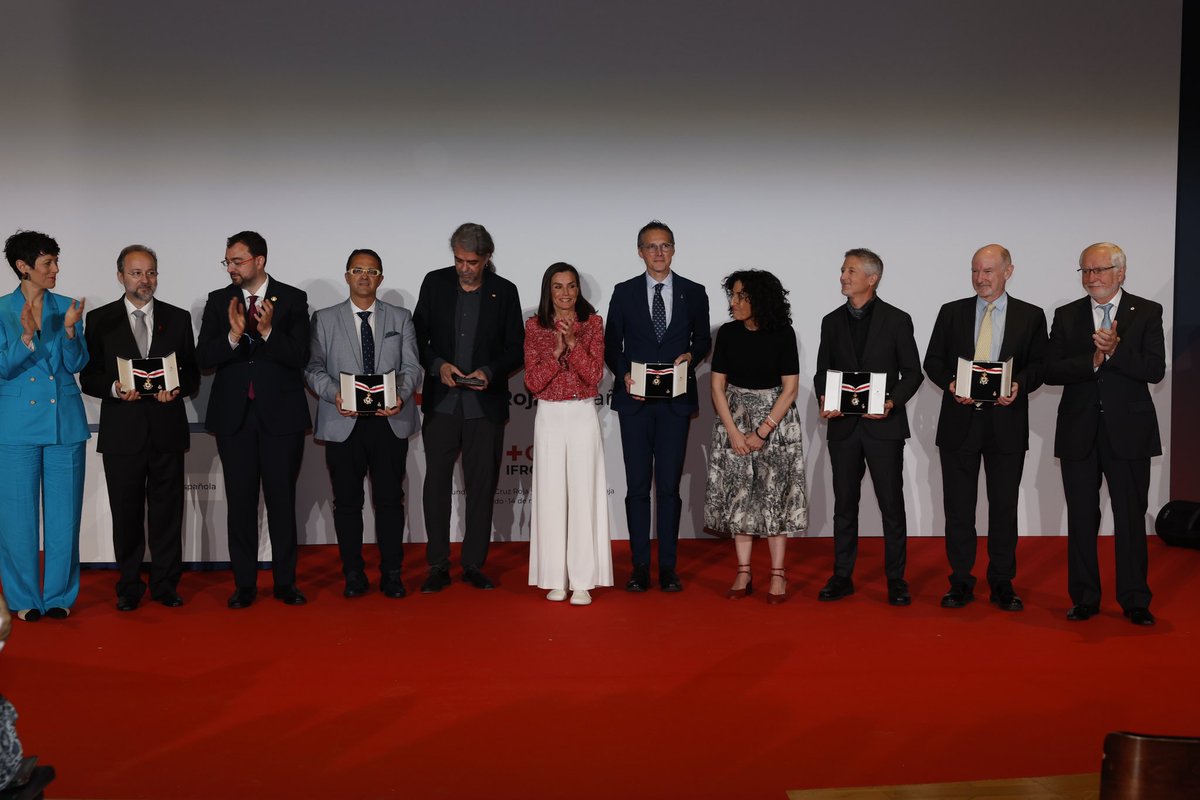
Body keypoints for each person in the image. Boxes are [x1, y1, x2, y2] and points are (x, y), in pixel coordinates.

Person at [1044, 243, 1164, 625]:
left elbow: (1154, 369)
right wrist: (1092, 360)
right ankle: (1084, 597)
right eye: (1085, 271)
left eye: (1099, 270)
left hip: (1129, 432)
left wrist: (1115, 350)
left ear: (1120, 272)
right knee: (1081, 518)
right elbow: (1051, 370)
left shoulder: (1146, 311)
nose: (1091, 278)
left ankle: (1134, 600)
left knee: (1130, 518)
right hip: (1079, 431)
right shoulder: (1066, 315)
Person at [923, 245, 1047, 612]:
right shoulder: (952, 312)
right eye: (975, 271)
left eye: (989, 271)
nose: (980, 278)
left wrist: (1018, 385)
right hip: (959, 422)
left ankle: (1002, 582)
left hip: (1006, 425)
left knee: (1004, 508)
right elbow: (932, 360)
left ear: (1008, 271)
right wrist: (951, 384)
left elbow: (1040, 364)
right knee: (958, 508)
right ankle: (960, 580)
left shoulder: (1031, 315)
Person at [79, 244, 201, 611]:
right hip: (122, 433)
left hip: (166, 430)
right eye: (136, 272)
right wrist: (115, 389)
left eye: (150, 272)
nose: (144, 280)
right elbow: (88, 376)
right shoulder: (100, 320)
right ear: (120, 276)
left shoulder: (178, 319)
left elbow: (192, 374)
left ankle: (165, 584)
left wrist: (178, 389)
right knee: (127, 515)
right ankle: (129, 586)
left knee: (167, 514)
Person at [196, 231, 311, 609]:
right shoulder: (218, 301)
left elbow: (300, 356)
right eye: (227, 261)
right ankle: (244, 584)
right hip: (235, 419)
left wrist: (267, 332)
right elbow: (204, 359)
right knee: (241, 504)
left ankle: (285, 584)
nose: (231, 267)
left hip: (281, 418)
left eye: (238, 261)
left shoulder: (292, 299)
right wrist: (232, 335)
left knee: (282, 502)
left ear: (259, 261)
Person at [412, 223, 524, 593]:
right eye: (459, 260)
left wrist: (489, 371)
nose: (464, 268)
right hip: (442, 404)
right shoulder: (434, 283)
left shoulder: (505, 292)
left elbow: (516, 348)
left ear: (487, 258)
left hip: (484, 405)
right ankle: (437, 565)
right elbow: (417, 336)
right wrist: (438, 365)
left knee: (481, 486)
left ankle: (474, 563)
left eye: (472, 262)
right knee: (436, 486)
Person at [304, 249, 421, 599]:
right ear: (347, 276)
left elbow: (412, 367)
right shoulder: (324, 319)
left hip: (389, 421)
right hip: (344, 420)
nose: (365, 276)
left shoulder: (400, 318)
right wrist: (335, 394)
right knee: (347, 504)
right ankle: (353, 574)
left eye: (372, 271)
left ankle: (392, 574)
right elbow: (313, 368)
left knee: (389, 501)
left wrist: (399, 395)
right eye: (358, 270)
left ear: (381, 278)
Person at [604, 220, 711, 592]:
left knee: (668, 488)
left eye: (665, 245)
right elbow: (610, 347)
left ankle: (668, 567)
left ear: (674, 249)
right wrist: (624, 376)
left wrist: (691, 355)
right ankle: (638, 567)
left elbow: (702, 343)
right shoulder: (624, 292)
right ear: (640, 252)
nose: (659, 252)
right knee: (636, 489)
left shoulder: (695, 292)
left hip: (675, 405)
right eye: (651, 246)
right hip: (635, 404)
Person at [813, 248, 921, 606]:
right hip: (843, 429)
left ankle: (896, 579)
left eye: (851, 270)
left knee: (891, 504)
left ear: (872, 278)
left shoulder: (897, 319)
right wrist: (824, 399)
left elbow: (913, 373)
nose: (843, 276)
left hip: (883, 427)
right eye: (843, 270)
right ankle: (842, 576)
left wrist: (891, 402)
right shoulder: (830, 321)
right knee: (845, 505)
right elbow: (821, 373)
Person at [0, 230, 89, 622]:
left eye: (55, 261)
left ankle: (58, 596)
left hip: (64, 426)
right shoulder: (1, 310)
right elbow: (3, 367)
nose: (55, 269)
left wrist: (70, 331)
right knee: (16, 518)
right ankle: (22, 599)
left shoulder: (68, 306)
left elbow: (76, 364)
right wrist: (26, 336)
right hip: (15, 428)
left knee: (64, 517)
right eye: (47, 263)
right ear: (24, 267)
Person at [704, 270, 808, 604]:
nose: (733, 303)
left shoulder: (783, 333)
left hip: (775, 422)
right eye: (732, 296)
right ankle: (744, 571)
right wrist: (734, 432)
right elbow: (717, 385)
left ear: (758, 300)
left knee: (776, 495)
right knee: (739, 498)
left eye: (740, 296)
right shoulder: (729, 334)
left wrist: (763, 431)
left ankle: (778, 574)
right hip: (733, 420)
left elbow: (790, 389)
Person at [524, 262, 613, 605]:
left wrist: (574, 345)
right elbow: (532, 382)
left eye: (571, 286)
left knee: (582, 494)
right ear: (549, 290)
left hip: (581, 414)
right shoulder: (534, 326)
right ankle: (554, 577)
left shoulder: (593, 324)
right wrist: (555, 354)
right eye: (558, 286)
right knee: (550, 495)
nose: (565, 293)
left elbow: (594, 377)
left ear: (579, 289)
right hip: (548, 415)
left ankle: (582, 580)